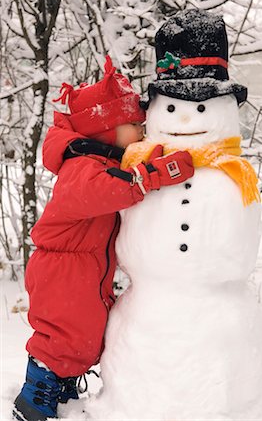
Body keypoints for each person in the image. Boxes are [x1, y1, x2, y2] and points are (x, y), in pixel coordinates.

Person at [12, 56, 194, 421]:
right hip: (63, 270)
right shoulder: (83, 167)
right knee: (62, 335)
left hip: (82, 266)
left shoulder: (101, 162)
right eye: (133, 124)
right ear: (107, 129)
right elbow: (96, 193)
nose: (141, 130)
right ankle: (35, 397)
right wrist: (148, 176)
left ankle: (62, 380)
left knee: (84, 333)